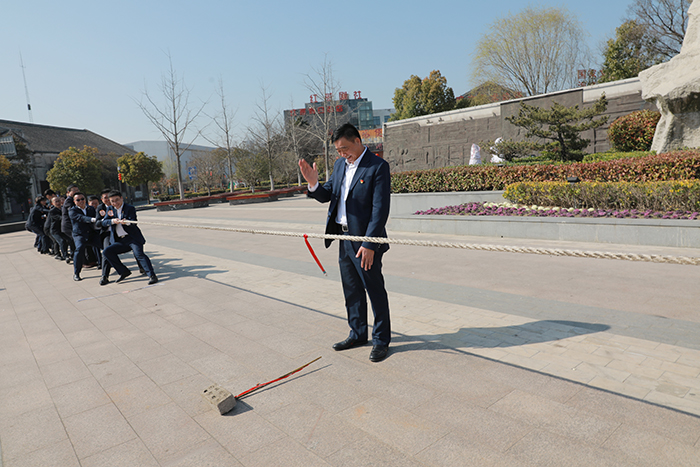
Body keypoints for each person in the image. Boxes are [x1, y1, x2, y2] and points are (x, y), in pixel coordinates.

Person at [298, 123, 392, 362]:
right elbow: (328, 194)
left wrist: (370, 244)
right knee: (351, 290)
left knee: (374, 290)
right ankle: (358, 333)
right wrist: (313, 184)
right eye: (338, 151)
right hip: (343, 238)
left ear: (358, 141)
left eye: (345, 149)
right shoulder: (340, 165)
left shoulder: (377, 167)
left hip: (365, 241)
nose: (342, 154)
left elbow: (379, 210)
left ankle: (381, 340)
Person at [101, 190, 158, 285]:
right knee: (107, 251)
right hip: (121, 240)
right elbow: (103, 222)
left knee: (139, 254)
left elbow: (133, 221)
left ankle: (152, 275)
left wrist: (126, 222)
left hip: (133, 238)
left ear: (122, 198)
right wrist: (112, 221)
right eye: (112, 201)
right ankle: (123, 271)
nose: (115, 203)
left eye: (117, 200)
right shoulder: (110, 209)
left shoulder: (129, 208)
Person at [69, 192, 101, 281]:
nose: (81, 201)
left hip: (91, 234)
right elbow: (81, 218)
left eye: (82, 199)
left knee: (106, 247)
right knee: (79, 250)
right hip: (80, 235)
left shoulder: (90, 209)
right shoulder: (72, 211)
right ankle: (76, 273)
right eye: (78, 200)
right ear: (74, 201)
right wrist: (92, 219)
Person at [61, 184, 80, 264]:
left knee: (73, 242)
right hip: (68, 226)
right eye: (74, 190)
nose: (77, 192)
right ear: (68, 192)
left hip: (70, 226)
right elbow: (72, 212)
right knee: (77, 242)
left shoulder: (72, 200)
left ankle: (74, 256)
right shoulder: (69, 201)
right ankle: (78, 260)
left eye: (77, 190)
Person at [47, 196, 68, 261]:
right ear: (52, 203)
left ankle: (69, 254)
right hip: (55, 231)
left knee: (69, 240)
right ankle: (65, 256)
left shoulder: (63, 209)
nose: (58, 203)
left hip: (62, 230)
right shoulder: (52, 211)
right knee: (61, 241)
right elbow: (59, 217)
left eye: (59, 201)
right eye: (56, 201)